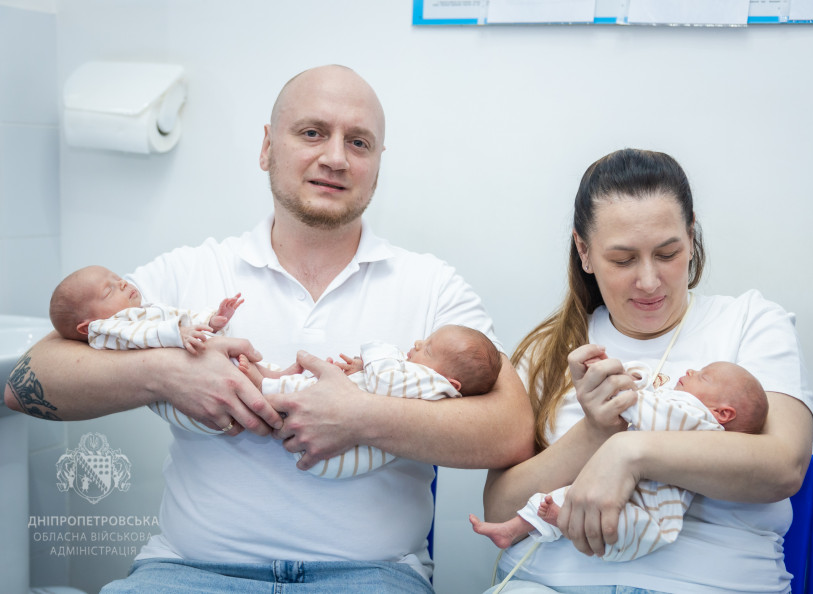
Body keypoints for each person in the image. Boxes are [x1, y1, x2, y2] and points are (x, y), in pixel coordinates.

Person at [4, 65, 534, 593]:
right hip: (186, 573)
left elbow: (511, 431)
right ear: (266, 148)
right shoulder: (189, 271)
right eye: (312, 133)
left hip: (372, 577)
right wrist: (167, 373)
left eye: (358, 142)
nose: (335, 157)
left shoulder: (432, 286)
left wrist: (360, 416)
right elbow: (24, 382)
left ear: (376, 165)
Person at [481, 148, 813, 593]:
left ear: (691, 236)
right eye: (622, 260)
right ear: (584, 251)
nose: (648, 281)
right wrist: (595, 432)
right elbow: (499, 510)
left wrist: (629, 452)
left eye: (667, 253)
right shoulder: (549, 350)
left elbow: (784, 466)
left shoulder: (750, 322)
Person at [470, 359, 768, 563]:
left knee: (623, 524)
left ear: (723, 413)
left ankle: (555, 520)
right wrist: (629, 379)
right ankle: (515, 527)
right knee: (569, 496)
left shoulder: (698, 418)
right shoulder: (682, 409)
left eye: (703, 376)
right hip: (625, 492)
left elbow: (646, 408)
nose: (691, 370)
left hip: (650, 510)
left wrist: (616, 393)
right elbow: (652, 400)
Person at [235, 324, 502, 478]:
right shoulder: (425, 383)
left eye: (429, 349)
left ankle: (263, 385)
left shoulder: (436, 384)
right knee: (311, 388)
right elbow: (381, 386)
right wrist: (361, 370)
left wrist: (378, 352)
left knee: (305, 392)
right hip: (332, 457)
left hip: (334, 458)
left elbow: (384, 381)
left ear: (452, 383)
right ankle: (267, 379)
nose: (419, 343)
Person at [49, 264, 244, 355]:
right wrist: (177, 333)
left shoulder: (145, 311)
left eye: (118, 278)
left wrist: (210, 321)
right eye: (109, 291)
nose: (123, 283)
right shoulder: (105, 331)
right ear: (88, 327)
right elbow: (140, 334)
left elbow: (182, 319)